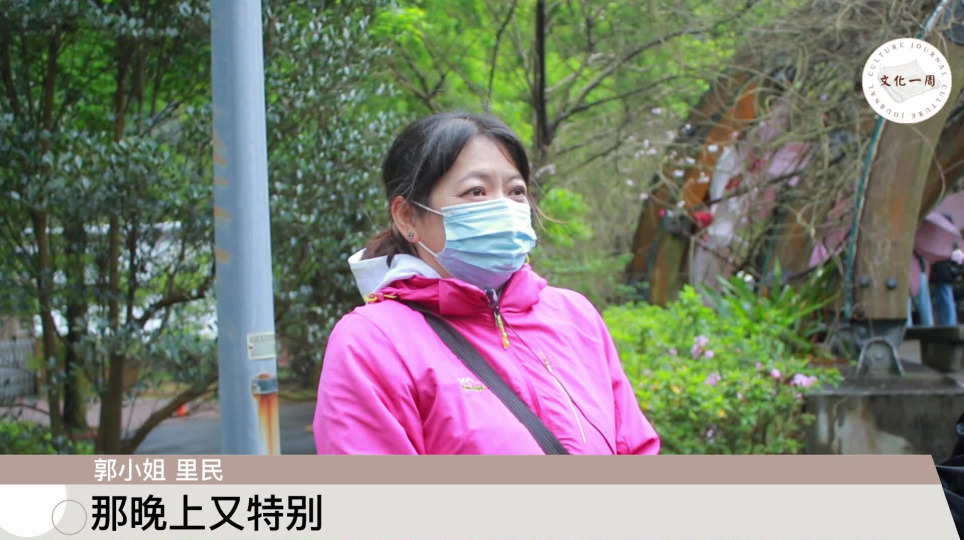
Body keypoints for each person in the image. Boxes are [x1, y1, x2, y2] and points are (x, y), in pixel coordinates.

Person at [312, 112, 660, 455]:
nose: (504, 208)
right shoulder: (372, 342)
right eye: (476, 191)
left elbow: (635, 448)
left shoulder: (575, 316)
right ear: (407, 217)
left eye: (516, 191)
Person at [930, 243, 964, 327]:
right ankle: (948, 323)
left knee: (946, 301)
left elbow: (958, 265)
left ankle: (948, 324)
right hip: (945, 277)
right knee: (946, 301)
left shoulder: (953, 251)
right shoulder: (953, 249)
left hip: (944, 277)